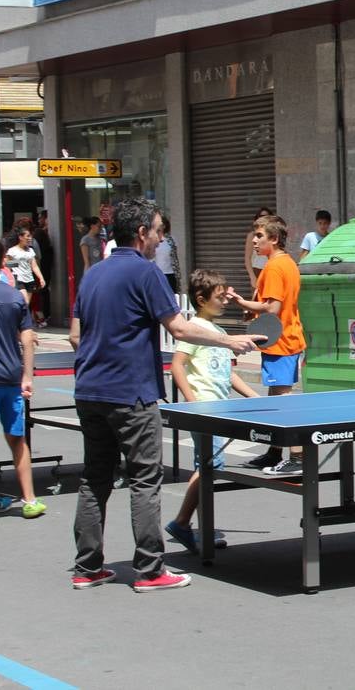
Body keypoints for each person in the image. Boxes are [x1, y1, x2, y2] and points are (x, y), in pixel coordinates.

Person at [68, 197, 261, 592]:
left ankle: (87, 568)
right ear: (142, 234)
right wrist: (229, 341)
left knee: (94, 480)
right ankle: (151, 570)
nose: (160, 239)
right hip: (130, 394)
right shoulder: (146, 273)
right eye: (158, 231)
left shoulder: (93, 275)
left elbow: (75, 333)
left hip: (89, 390)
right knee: (144, 479)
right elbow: (180, 329)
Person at [165, 269, 258, 552]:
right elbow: (176, 366)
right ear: (202, 299)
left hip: (220, 411)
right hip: (204, 410)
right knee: (209, 467)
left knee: (206, 467)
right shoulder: (194, 331)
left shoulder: (219, 333)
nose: (225, 301)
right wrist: (192, 401)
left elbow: (229, 374)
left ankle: (198, 527)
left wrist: (254, 397)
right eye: (220, 297)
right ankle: (183, 523)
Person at [226, 215, 306, 476]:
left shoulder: (273, 267)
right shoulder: (288, 263)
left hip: (281, 342)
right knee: (275, 395)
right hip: (286, 338)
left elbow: (273, 307)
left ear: (274, 239)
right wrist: (253, 311)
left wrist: (241, 302)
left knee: (283, 398)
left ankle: (297, 456)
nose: (255, 240)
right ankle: (274, 451)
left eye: (259, 236)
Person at [0, 238, 44, 519]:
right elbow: (27, 339)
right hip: (11, 378)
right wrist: (27, 376)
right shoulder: (14, 296)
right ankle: (29, 499)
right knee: (17, 439)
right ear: (3, 259)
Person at [5, 227, 45, 306]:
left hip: (29, 279)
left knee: (26, 305)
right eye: (28, 236)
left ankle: (22, 318)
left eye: (30, 236)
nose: (30, 238)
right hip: (18, 279)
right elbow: (7, 266)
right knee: (25, 301)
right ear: (20, 237)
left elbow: (34, 266)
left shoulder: (31, 251)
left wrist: (41, 278)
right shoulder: (12, 251)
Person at [243, 206, 273, 291]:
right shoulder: (252, 235)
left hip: (271, 270)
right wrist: (252, 277)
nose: (263, 219)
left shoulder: (273, 235)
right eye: (261, 216)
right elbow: (247, 258)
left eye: (266, 216)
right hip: (257, 271)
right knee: (257, 299)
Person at [33, 210, 52, 328]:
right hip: (44, 268)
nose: (39, 221)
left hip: (42, 268)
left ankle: (42, 316)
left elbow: (38, 258)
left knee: (40, 293)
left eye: (41, 218)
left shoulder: (39, 234)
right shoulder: (41, 233)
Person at [153, 216, 180, 294]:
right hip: (157, 273)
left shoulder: (171, 240)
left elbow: (175, 258)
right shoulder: (153, 239)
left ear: (164, 226)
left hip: (170, 273)